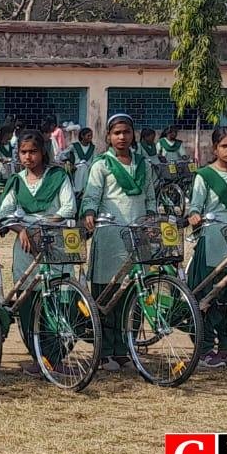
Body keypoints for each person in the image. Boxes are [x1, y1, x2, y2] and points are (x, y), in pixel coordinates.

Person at [0, 129, 76, 377]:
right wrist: (22, 230)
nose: (28, 157)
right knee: (28, 300)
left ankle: (56, 356)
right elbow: (5, 213)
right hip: (26, 248)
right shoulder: (16, 181)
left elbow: (68, 208)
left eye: (33, 151)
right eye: (23, 152)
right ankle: (38, 358)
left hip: (54, 243)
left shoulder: (58, 176)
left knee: (59, 299)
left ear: (43, 152)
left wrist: (42, 226)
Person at [82, 114, 152, 373]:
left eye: (126, 132)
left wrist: (151, 218)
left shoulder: (144, 164)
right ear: (109, 137)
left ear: (133, 134)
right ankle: (104, 351)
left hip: (137, 233)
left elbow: (150, 196)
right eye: (117, 133)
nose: (122, 137)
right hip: (110, 234)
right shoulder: (101, 164)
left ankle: (124, 350)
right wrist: (89, 212)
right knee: (106, 291)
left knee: (133, 292)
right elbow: (91, 194)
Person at [186, 127, 227, 369]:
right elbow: (195, 205)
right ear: (215, 149)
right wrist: (194, 215)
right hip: (213, 239)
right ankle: (204, 349)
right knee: (208, 296)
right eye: (224, 146)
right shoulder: (204, 175)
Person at [62, 127, 97, 196]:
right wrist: (69, 162)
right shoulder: (74, 146)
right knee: (82, 168)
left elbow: (95, 159)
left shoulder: (93, 148)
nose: (90, 137)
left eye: (91, 135)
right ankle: (78, 191)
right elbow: (62, 155)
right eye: (88, 135)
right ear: (82, 136)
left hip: (88, 169)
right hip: (77, 169)